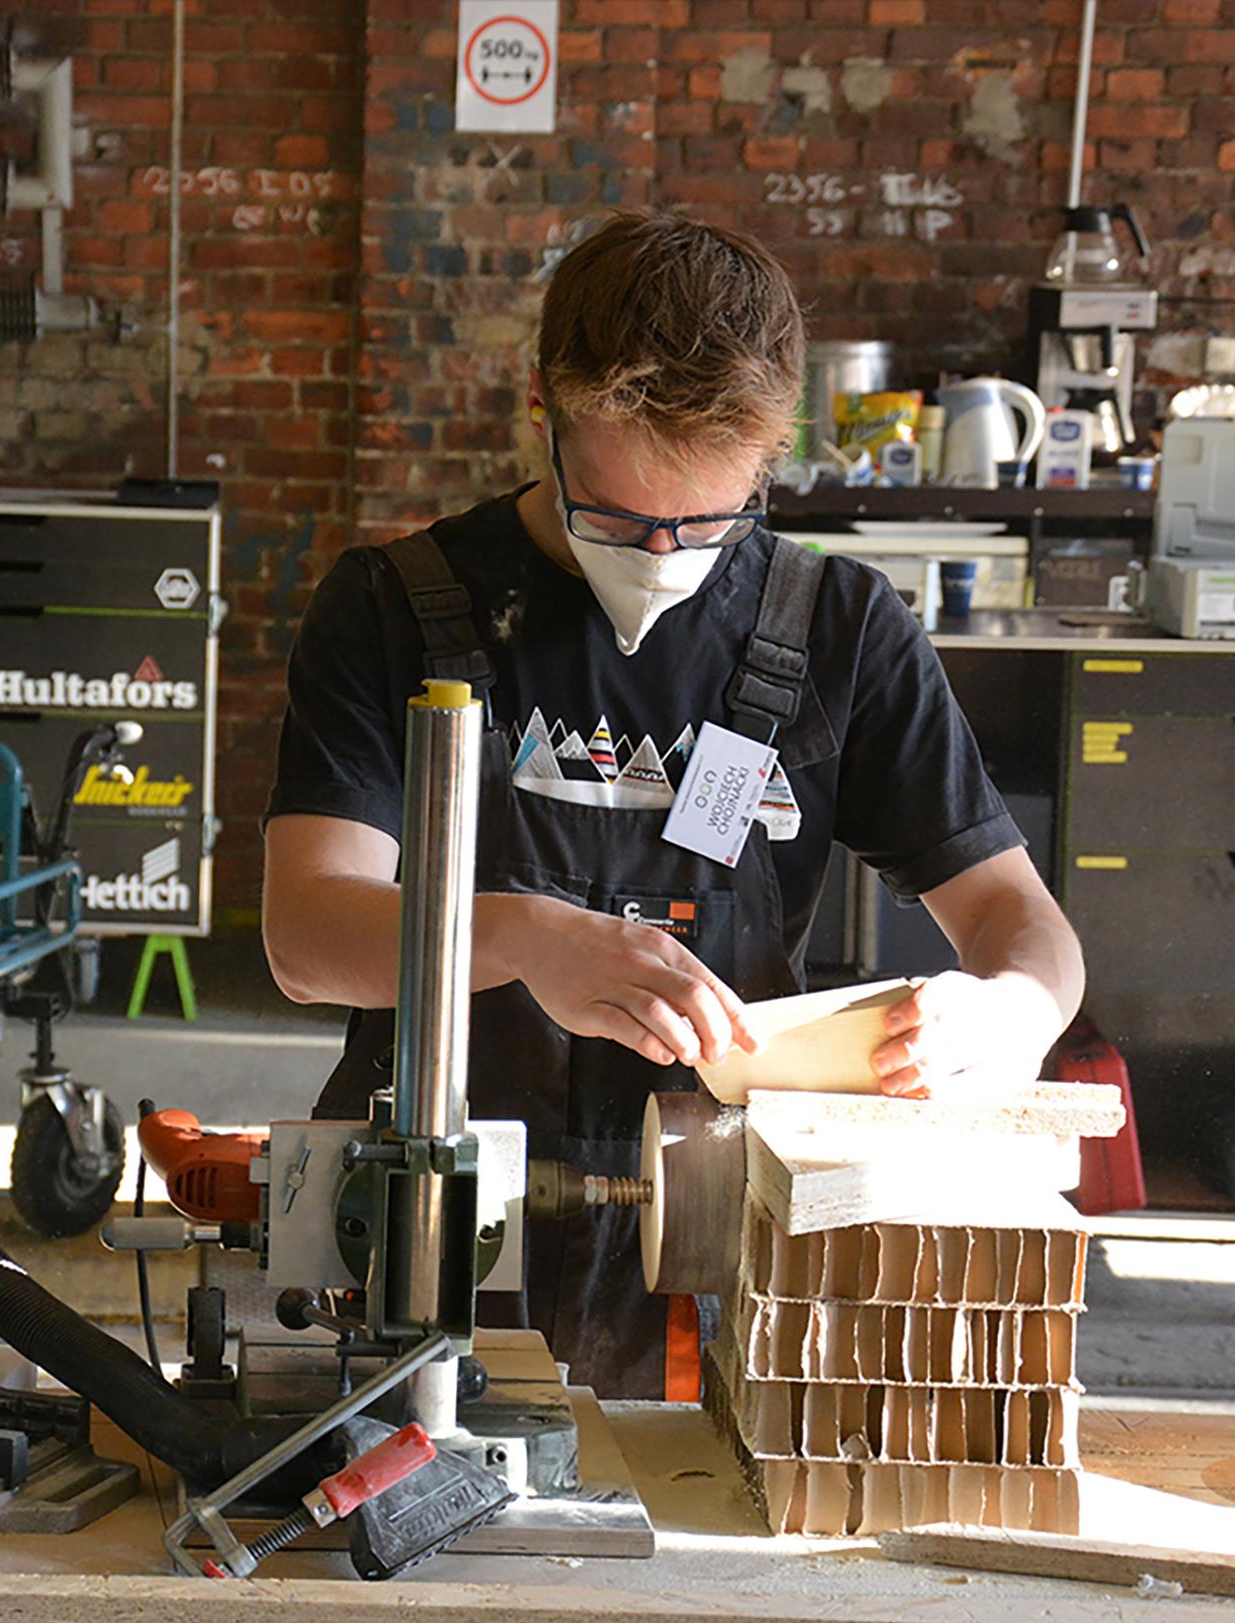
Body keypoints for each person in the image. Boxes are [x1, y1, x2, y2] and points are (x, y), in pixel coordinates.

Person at [259, 210, 1085, 1399]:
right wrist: (516, 934)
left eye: (704, 523)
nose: (659, 554)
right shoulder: (394, 607)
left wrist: (1008, 1014)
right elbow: (304, 938)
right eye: (617, 516)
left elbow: (1024, 923)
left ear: (769, 456)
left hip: (714, 1237)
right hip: (424, 1228)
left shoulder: (841, 632)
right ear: (543, 407)